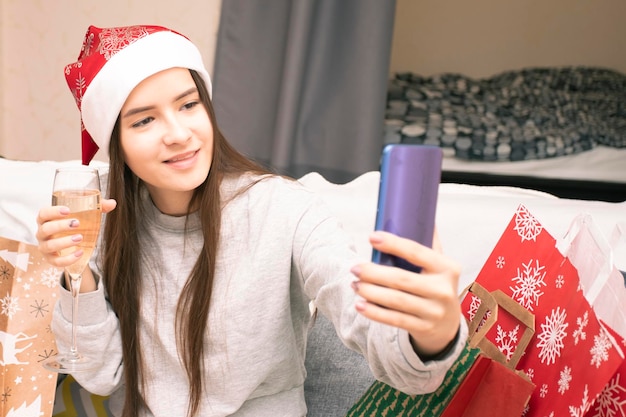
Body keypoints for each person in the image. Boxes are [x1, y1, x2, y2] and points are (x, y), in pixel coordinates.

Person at [36, 25, 467, 417]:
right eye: (145, 119)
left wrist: (432, 332)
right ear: (117, 144)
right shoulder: (101, 219)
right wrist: (79, 278)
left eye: (189, 105)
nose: (179, 133)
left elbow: (390, 352)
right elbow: (104, 376)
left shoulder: (286, 208)